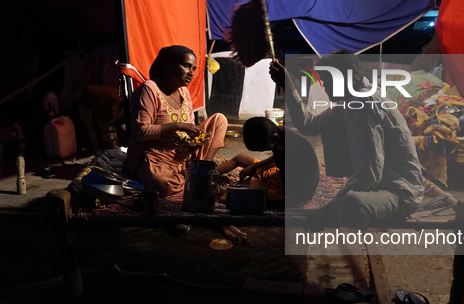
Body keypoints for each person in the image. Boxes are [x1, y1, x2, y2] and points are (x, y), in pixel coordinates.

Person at [269, 50, 424, 229]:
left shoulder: (365, 102)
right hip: (380, 184)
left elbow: (370, 174)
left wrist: (327, 210)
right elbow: (309, 125)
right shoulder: (350, 103)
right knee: (332, 131)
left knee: (353, 203)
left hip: (401, 192)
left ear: (349, 74)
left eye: (328, 80)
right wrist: (287, 85)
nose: (324, 86)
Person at [124, 45, 227, 196]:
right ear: (169, 66)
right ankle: (197, 182)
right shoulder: (150, 89)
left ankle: (202, 170)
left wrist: (196, 139)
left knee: (219, 120)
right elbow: (141, 132)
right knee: (160, 183)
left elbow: (190, 127)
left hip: (184, 155)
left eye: (193, 68)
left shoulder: (183, 92)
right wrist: (178, 126)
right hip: (156, 158)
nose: (191, 73)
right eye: (186, 66)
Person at [215, 117, 320, 208]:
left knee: (252, 195)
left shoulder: (297, 152)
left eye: (263, 149)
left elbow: (305, 193)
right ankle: (207, 175)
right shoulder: (278, 132)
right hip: (280, 175)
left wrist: (263, 198)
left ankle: (225, 191)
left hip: (293, 192)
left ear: (275, 138)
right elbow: (279, 156)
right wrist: (255, 166)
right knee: (241, 158)